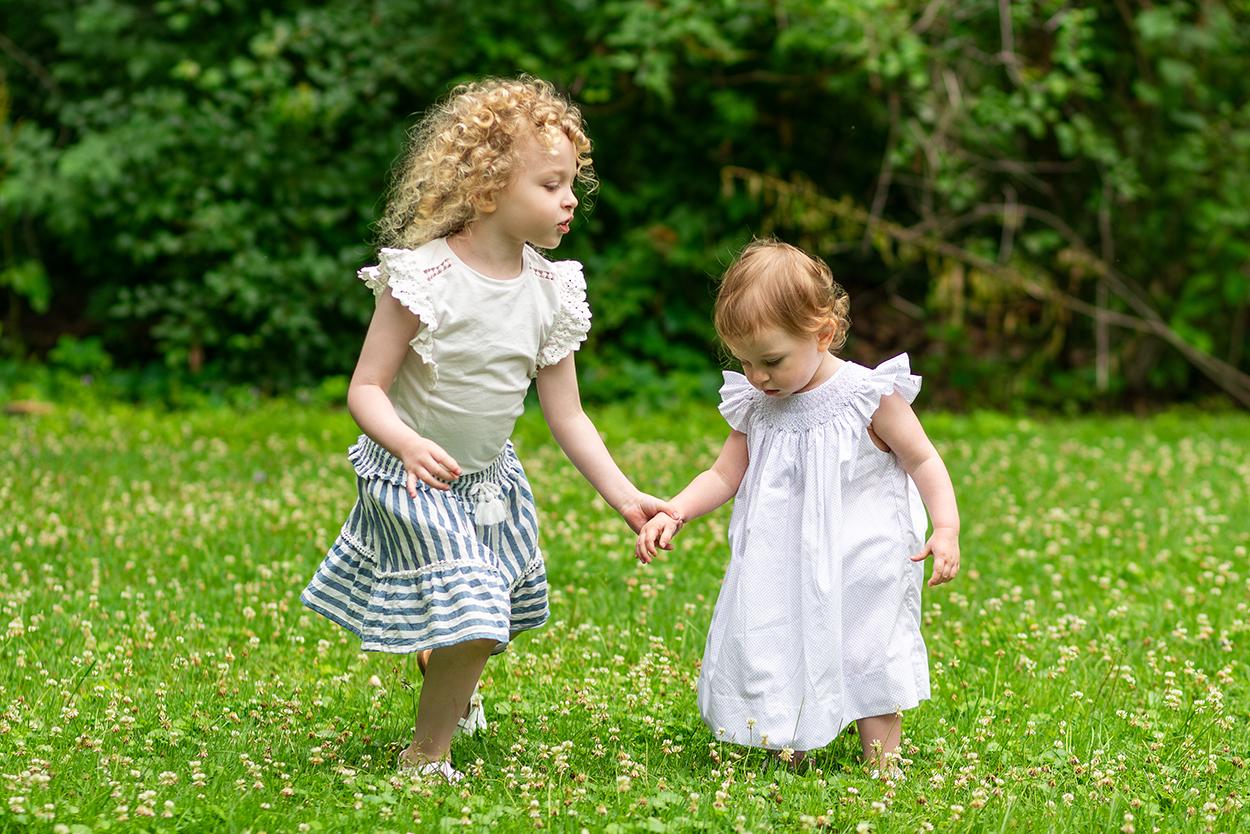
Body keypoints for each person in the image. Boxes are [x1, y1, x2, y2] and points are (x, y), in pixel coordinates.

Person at [301, 76, 677, 783]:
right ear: (486, 187)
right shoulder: (424, 278)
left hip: (488, 484)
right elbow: (366, 389)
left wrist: (627, 499)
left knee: (492, 616)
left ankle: (444, 668)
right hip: (412, 476)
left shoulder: (551, 290)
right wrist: (406, 444)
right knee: (475, 616)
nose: (570, 199)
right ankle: (424, 759)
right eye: (550, 183)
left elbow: (567, 416)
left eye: (572, 183)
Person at [636, 240, 960, 775]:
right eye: (743, 361)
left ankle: (883, 760)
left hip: (863, 554)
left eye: (771, 361)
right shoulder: (757, 406)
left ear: (823, 335)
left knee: (867, 646)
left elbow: (923, 458)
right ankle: (794, 740)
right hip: (781, 555)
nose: (758, 377)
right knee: (780, 638)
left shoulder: (868, 395)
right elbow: (723, 474)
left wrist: (945, 527)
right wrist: (675, 510)